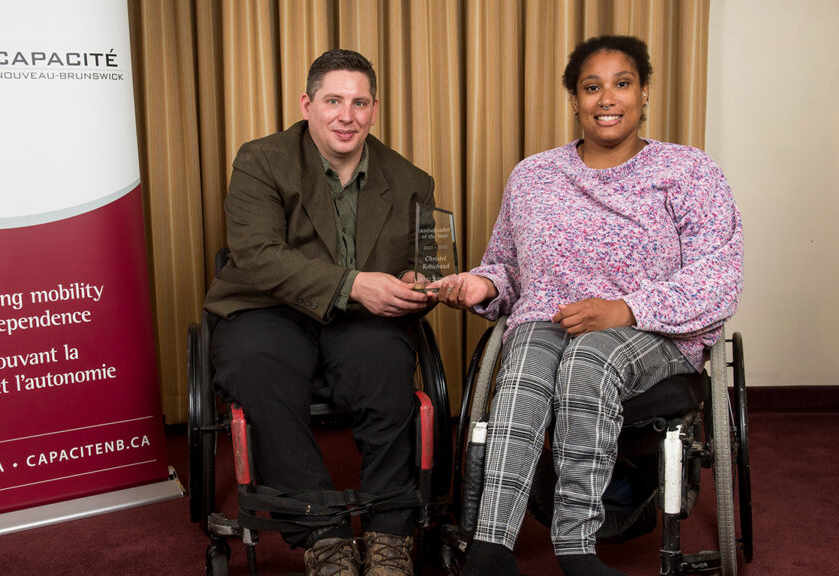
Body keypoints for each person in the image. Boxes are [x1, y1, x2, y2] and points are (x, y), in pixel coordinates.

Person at [431, 35, 743, 576]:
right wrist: (483, 286)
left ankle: (575, 546)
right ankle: (490, 547)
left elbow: (719, 276)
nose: (606, 99)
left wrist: (624, 309)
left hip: (656, 334)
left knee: (589, 359)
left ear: (644, 93)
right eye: (591, 87)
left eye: (621, 84)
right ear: (574, 99)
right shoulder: (533, 176)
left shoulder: (689, 171)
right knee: (524, 358)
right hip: (549, 322)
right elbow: (507, 267)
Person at [204, 48, 434, 576]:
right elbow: (258, 257)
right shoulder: (261, 160)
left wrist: (418, 284)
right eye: (333, 101)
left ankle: (388, 533)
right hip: (267, 306)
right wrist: (355, 283)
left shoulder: (411, 181)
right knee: (260, 364)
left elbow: (421, 265)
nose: (346, 116)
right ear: (307, 104)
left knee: (385, 362)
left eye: (358, 102)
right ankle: (323, 535)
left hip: (360, 320)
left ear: (374, 109)